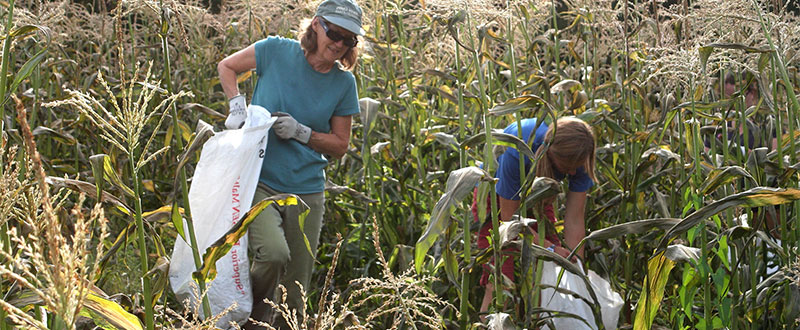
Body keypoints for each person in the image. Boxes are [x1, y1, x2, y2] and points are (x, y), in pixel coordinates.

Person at [216, 0, 364, 328]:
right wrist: (236, 107)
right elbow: (227, 67)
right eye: (335, 33)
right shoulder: (275, 51)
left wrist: (302, 132)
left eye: (349, 39)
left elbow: (340, 145)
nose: (339, 44)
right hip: (259, 179)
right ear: (316, 24)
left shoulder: (343, 85)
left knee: (295, 293)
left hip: (306, 191)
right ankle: (242, 320)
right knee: (273, 254)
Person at [471, 116, 596, 318]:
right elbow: (509, 222)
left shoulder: (579, 156)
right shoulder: (516, 150)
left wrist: (576, 265)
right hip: (497, 198)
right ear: (551, 155)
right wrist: (550, 248)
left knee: (546, 273)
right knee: (502, 275)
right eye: (567, 167)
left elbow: (574, 219)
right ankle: (492, 321)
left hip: (538, 197)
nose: (573, 171)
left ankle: (536, 320)